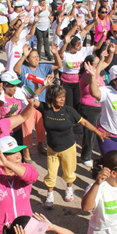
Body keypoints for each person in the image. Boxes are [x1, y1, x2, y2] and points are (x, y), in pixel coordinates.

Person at [35, 77, 109, 209]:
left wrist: (99, 132)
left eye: (64, 97)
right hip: (52, 148)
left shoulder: (69, 110)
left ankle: (69, 189)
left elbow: (85, 122)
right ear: (52, 98)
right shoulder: (45, 109)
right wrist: (44, 86)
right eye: (59, 97)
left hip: (68, 148)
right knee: (51, 174)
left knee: (69, 172)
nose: (63, 99)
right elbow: (31, 99)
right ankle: (50, 194)